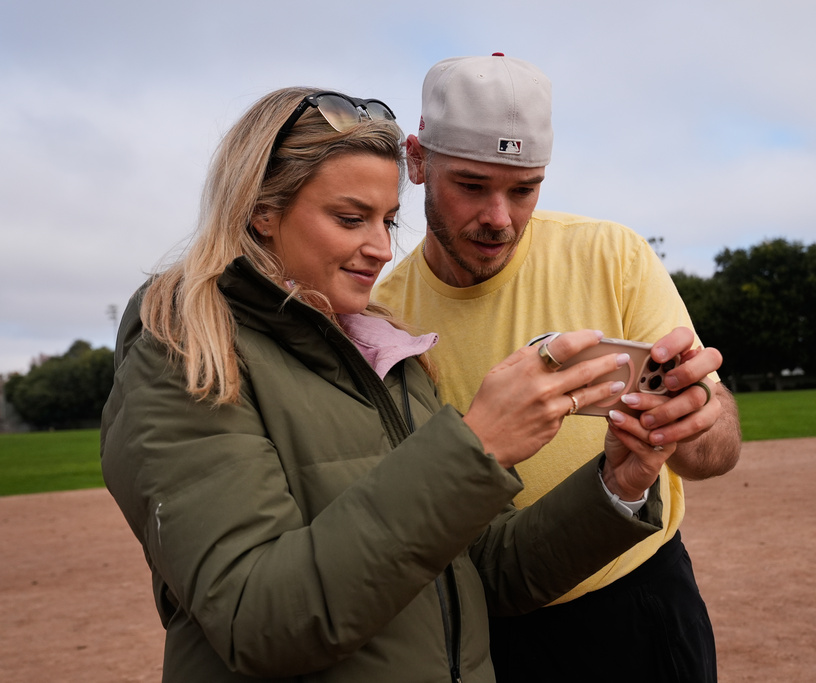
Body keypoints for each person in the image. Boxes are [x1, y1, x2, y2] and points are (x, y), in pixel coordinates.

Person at [99, 86, 683, 682]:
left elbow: (479, 573)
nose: (381, 248)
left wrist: (619, 483)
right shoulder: (185, 358)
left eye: (389, 220)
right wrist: (475, 448)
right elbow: (259, 620)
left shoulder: (386, 350)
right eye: (351, 219)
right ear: (262, 211)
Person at [375, 55, 743, 682]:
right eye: (471, 185)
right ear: (416, 161)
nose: (500, 218)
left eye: (524, 189)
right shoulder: (383, 316)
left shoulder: (611, 254)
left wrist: (692, 417)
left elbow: (717, 455)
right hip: (489, 628)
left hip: (639, 601)